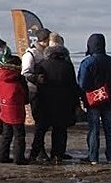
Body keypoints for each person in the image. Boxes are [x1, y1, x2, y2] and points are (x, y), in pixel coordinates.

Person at [29, 35, 79, 164]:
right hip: (63, 103)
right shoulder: (68, 66)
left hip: (45, 102)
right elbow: (73, 85)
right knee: (60, 130)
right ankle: (57, 155)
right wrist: (76, 103)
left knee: (41, 130)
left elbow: (37, 82)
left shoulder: (42, 65)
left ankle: (34, 154)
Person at [77, 33, 111, 165]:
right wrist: (109, 91)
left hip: (93, 101)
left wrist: (89, 93)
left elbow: (82, 83)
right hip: (108, 100)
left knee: (94, 129)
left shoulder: (87, 62)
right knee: (109, 128)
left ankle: (93, 157)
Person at [0, 55, 29, 165]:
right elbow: (24, 94)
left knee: (6, 134)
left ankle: (2, 156)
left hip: (4, 107)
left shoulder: (0, 76)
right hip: (16, 108)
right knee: (19, 135)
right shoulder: (19, 78)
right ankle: (19, 158)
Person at [21, 27, 51, 161]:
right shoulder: (30, 54)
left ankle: (40, 150)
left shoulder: (47, 53)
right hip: (34, 92)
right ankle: (38, 151)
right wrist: (36, 78)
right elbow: (25, 73)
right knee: (40, 123)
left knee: (45, 123)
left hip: (47, 92)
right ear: (43, 41)